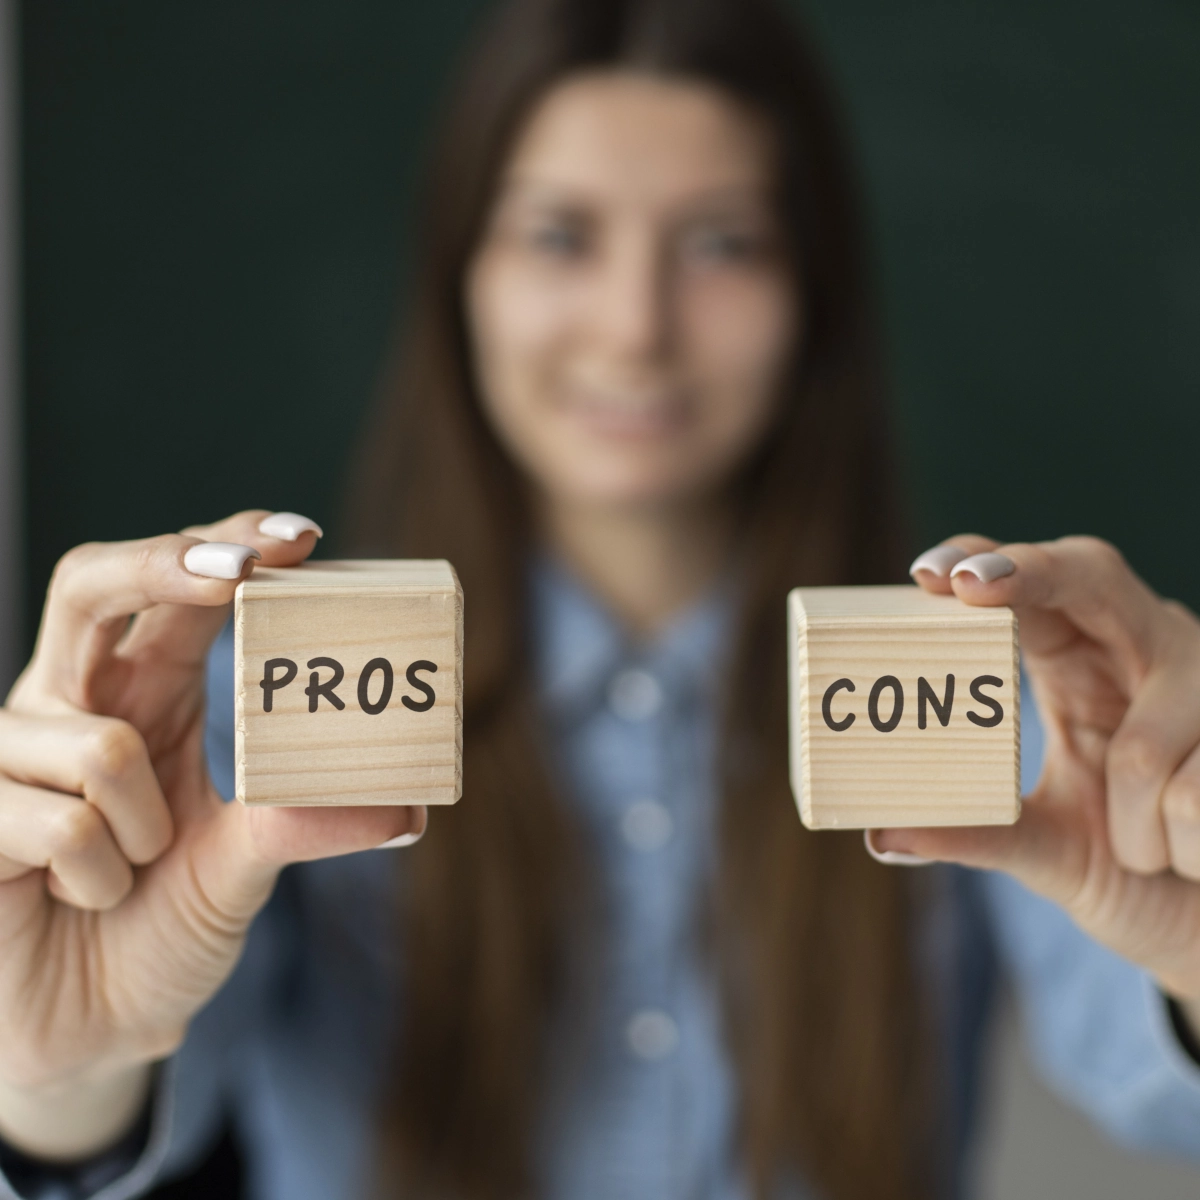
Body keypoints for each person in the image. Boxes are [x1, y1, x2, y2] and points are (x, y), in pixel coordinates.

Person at [2, 0, 1200, 1197]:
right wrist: (51, 1068)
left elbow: (1157, 1092)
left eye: (723, 243)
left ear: (813, 295)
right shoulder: (229, 716)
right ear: (459, 276)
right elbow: (121, 1101)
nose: (636, 330)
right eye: (560, 236)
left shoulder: (987, 697)